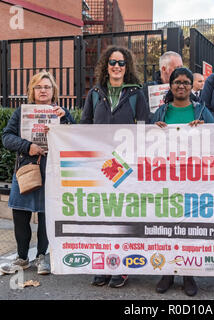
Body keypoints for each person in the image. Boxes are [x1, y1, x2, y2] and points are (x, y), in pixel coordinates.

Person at [81, 45, 149, 287]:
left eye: (121, 63)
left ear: (127, 66)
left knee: (121, 217)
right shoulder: (95, 93)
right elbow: (85, 127)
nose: (117, 67)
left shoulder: (137, 94)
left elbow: (144, 129)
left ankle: (120, 266)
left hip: (125, 166)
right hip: (100, 164)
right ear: (106, 65)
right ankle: (102, 265)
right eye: (112, 62)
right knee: (101, 217)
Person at [1, 71, 75, 275]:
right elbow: (6, 137)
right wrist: (27, 146)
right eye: (39, 87)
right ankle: (22, 258)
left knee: (45, 214)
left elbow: (74, 137)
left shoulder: (61, 112)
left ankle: (42, 257)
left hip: (51, 170)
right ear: (32, 91)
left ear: (54, 91)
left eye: (47, 87)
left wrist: (66, 118)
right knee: (20, 213)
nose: (43, 90)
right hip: (26, 170)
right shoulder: (21, 112)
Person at [151, 67, 214, 297]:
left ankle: (188, 274)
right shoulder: (160, 112)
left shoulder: (202, 111)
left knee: (189, 229)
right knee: (167, 227)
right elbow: (147, 144)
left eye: (186, 82)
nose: (181, 86)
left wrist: (204, 130)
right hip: (165, 179)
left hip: (193, 179)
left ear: (191, 86)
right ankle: (167, 272)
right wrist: (153, 130)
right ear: (170, 86)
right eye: (177, 82)